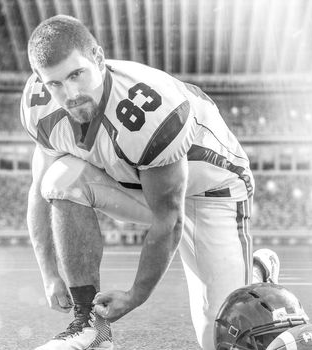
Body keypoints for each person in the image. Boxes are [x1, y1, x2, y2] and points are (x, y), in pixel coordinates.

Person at [22, 15, 274, 350]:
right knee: (58, 178)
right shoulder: (37, 107)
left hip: (213, 191)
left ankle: (256, 271)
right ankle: (88, 326)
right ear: (40, 81)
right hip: (137, 185)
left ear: (97, 58)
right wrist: (49, 274)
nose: (70, 94)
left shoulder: (149, 110)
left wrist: (134, 297)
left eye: (76, 74)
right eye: (55, 83)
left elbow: (168, 221)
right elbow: (39, 191)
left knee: (220, 338)